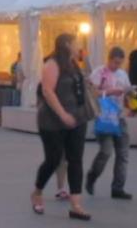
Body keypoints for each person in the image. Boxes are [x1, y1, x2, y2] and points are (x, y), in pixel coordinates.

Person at [31, 33, 91, 221]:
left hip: (77, 119)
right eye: (76, 42)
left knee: (75, 160)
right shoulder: (52, 64)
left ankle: (76, 205)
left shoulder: (74, 64)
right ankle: (37, 192)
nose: (79, 45)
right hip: (52, 122)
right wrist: (63, 114)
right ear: (66, 44)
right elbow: (47, 91)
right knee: (53, 159)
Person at [86, 46, 133, 200]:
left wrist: (130, 95)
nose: (116, 66)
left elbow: (126, 92)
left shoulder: (123, 74)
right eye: (115, 62)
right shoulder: (99, 72)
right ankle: (92, 175)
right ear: (109, 59)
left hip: (119, 117)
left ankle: (118, 188)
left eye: (120, 63)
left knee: (123, 154)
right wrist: (111, 91)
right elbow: (92, 93)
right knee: (106, 151)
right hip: (104, 117)